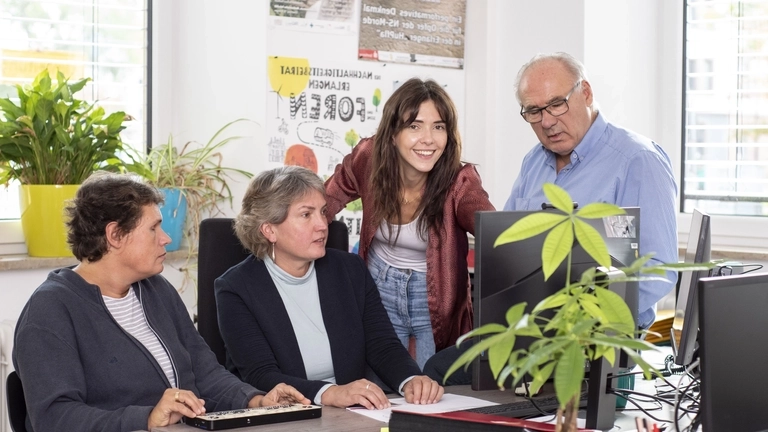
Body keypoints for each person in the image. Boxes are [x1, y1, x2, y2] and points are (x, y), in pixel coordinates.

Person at [423, 52, 678, 386]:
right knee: (437, 369)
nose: (546, 121)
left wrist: (583, 324)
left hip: (596, 340)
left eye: (557, 104)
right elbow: (508, 250)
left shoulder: (637, 160)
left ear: (586, 93)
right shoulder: (534, 162)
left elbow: (659, 269)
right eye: (534, 111)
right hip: (526, 331)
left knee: (443, 375)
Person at [12, 172, 309, 432]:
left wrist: (256, 400)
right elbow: (54, 418)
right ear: (115, 235)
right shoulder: (50, 310)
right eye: (153, 228)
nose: (165, 238)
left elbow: (205, 372)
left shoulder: (156, 290)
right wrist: (146, 418)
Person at [215, 166, 444, 410]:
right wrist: (330, 393)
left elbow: (382, 345)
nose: (322, 225)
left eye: (323, 212)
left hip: (352, 413)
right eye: (306, 214)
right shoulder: (235, 288)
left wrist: (410, 379)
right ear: (269, 230)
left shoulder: (350, 269)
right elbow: (261, 375)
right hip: (286, 416)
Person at [324, 78, 495, 368]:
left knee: (430, 381)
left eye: (438, 127)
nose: (428, 139)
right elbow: (325, 200)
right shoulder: (368, 158)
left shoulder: (460, 182)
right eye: (414, 126)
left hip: (433, 298)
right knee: (378, 379)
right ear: (393, 133)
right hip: (378, 285)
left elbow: (493, 230)